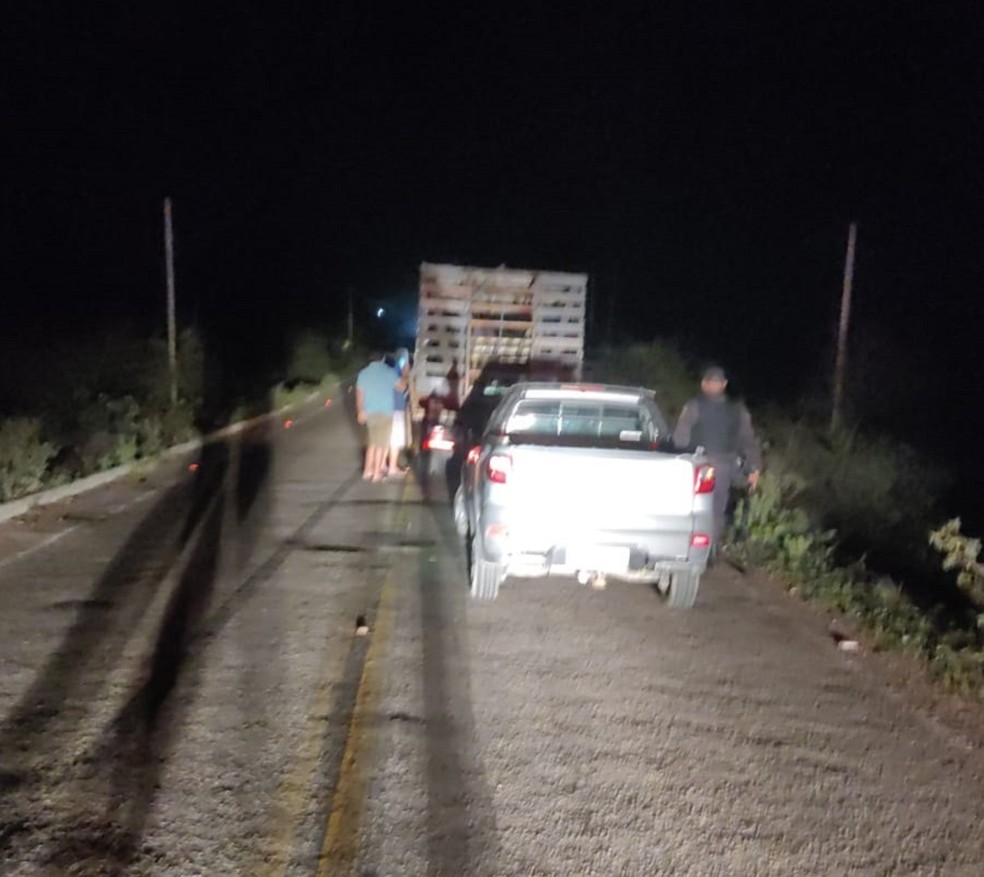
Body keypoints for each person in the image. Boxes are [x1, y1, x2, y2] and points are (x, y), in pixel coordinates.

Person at [673, 365, 762, 548]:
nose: (713, 386)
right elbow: (749, 440)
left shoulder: (694, 406)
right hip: (721, 466)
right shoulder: (737, 410)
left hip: (701, 465)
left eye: (714, 382)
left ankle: (699, 547)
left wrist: (679, 459)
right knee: (715, 510)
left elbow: (680, 438)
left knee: (697, 507)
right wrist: (754, 468)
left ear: (704, 385)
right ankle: (710, 548)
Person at [355, 353, 403, 482]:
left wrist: (360, 411)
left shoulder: (363, 374)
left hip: (370, 412)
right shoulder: (388, 372)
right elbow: (401, 387)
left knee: (372, 443)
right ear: (382, 359)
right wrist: (405, 374)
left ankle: (367, 471)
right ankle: (376, 474)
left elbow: (360, 395)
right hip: (385, 412)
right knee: (381, 444)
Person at [387, 348, 412, 476]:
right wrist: (406, 373)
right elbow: (403, 385)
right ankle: (392, 467)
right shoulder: (397, 372)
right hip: (396, 409)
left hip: (388, 408)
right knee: (395, 440)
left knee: (387, 438)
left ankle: (383, 465)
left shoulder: (388, 370)